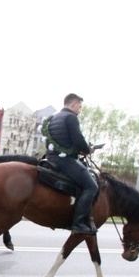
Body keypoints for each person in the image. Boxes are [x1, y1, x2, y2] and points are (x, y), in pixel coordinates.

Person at [43, 93, 98, 236]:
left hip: (51, 158)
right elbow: (78, 140)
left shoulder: (53, 118)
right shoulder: (71, 117)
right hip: (65, 161)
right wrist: (88, 149)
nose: (79, 110)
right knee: (91, 186)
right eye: (79, 107)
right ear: (73, 105)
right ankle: (78, 223)